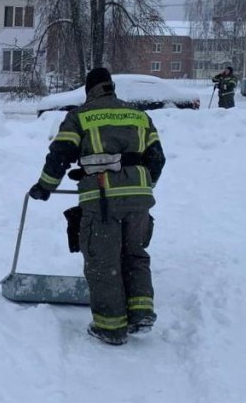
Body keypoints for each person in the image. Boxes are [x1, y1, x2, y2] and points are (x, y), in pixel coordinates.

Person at [28, 67, 166, 346]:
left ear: (88, 90)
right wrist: (141, 186)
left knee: (103, 261)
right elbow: (157, 159)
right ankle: (140, 312)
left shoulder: (80, 116)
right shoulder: (139, 115)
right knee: (135, 254)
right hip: (139, 197)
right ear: (111, 86)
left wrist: (45, 187)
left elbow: (60, 155)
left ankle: (110, 327)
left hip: (102, 197)